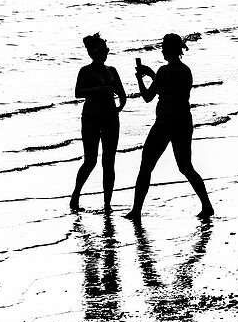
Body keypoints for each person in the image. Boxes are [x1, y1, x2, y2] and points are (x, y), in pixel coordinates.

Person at [125, 33, 214, 221]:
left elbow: (148, 97)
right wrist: (150, 74)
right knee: (186, 166)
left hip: (165, 122)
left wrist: (142, 78)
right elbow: (172, 87)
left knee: (146, 165)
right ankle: (207, 205)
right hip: (183, 121)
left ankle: (136, 210)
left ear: (169, 49)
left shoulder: (163, 72)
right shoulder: (186, 70)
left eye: (164, 47)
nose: (162, 50)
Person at [71, 33, 126, 213]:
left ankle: (107, 203)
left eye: (107, 49)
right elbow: (78, 93)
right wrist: (99, 89)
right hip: (91, 118)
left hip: (110, 118)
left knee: (109, 162)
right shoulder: (85, 71)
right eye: (103, 49)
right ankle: (76, 195)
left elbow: (122, 94)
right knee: (90, 160)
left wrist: (118, 107)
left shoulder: (112, 70)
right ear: (93, 53)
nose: (106, 52)